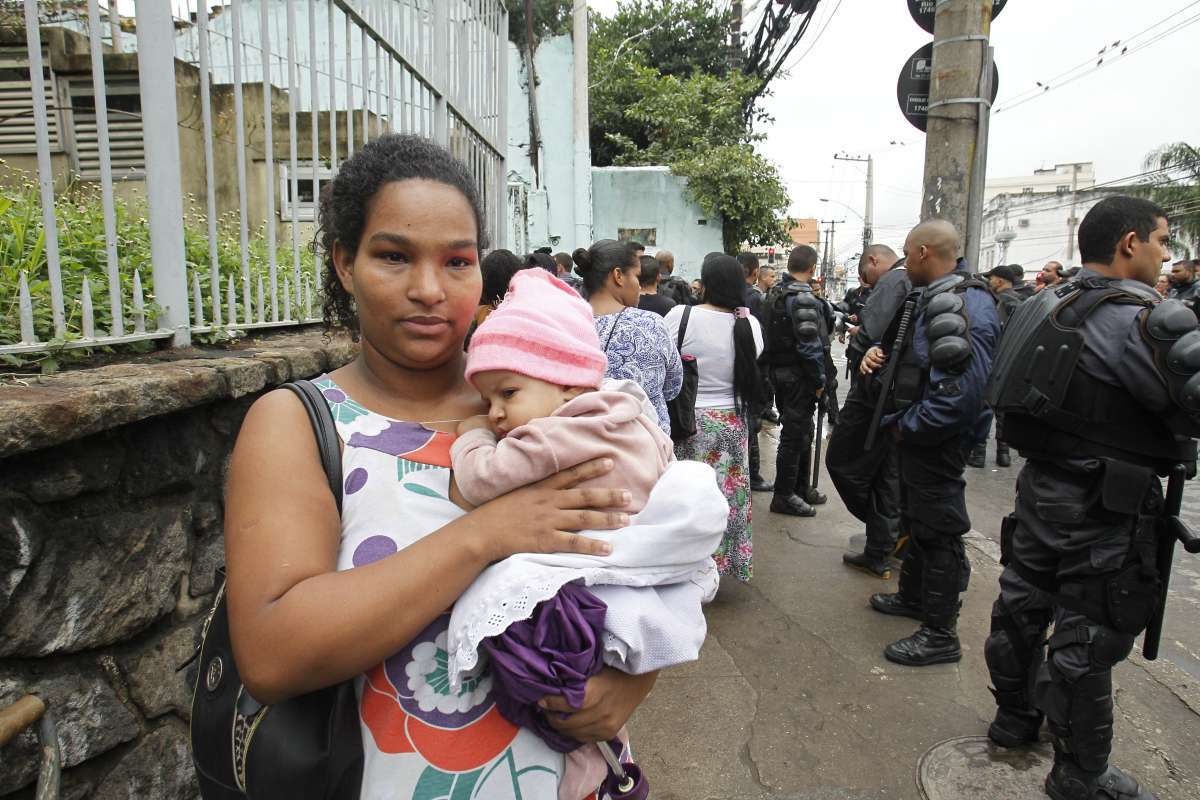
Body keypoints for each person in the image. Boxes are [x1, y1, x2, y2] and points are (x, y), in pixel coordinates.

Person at [223, 134, 653, 798]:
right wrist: (485, 534)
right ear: (344, 264)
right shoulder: (302, 424)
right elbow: (273, 655)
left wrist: (637, 675)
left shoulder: (545, 409)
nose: (428, 289)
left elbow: (656, 548)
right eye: (394, 256)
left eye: (457, 261)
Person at [983, 196, 1196, 800]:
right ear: (1130, 243)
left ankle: (1015, 719)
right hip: (1104, 508)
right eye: (1160, 241)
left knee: (1020, 608)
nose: (1164, 254)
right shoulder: (1143, 319)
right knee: (1087, 637)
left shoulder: (1048, 302)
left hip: (1041, 489)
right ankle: (1082, 776)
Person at [860, 219, 999, 666]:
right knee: (920, 522)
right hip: (920, 434)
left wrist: (910, 426)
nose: (903, 262)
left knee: (939, 531)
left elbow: (961, 394)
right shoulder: (937, 297)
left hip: (933, 438)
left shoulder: (960, 302)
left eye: (906, 252)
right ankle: (915, 598)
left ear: (922, 253)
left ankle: (940, 633)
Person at [665, 254, 765, 582]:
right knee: (727, 499)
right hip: (734, 424)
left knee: (687, 500)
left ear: (704, 284)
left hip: (690, 424)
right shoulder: (748, 325)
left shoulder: (681, 316)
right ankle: (719, 567)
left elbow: (665, 361)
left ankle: (683, 567)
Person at [829, 245, 906, 578]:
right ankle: (883, 543)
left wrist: (863, 345)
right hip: (897, 396)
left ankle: (886, 533)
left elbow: (869, 335)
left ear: (874, 262)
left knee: (843, 461)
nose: (867, 286)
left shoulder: (896, 279)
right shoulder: (923, 284)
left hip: (876, 395)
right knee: (885, 472)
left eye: (866, 278)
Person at [579, 239, 684, 436]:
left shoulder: (565, 325)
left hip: (585, 445)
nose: (638, 285)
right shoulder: (651, 324)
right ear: (618, 276)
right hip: (648, 447)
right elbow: (673, 386)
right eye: (637, 276)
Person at [763, 245, 834, 517]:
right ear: (813, 268)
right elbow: (809, 345)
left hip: (783, 374)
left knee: (802, 433)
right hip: (797, 377)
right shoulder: (801, 297)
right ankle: (784, 495)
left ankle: (800, 488)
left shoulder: (777, 292)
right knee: (794, 436)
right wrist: (819, 379)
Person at [969, 264, 1024, 469]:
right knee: (1002, 410)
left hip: (995, 359)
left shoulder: (1001, 303)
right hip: (1011, 361)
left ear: (1000, 281)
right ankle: (1003, 453)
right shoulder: (1023, 302)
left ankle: (979, 452)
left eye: (991, 278)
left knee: (985, 406)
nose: (989, 282)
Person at [738, 252, 773, 492]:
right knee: (751, 422)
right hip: (753, 369)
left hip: (735, 368)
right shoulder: (755, 299)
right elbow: (763, 339)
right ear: (754, 271)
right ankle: (753, 475)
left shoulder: (725, 297)